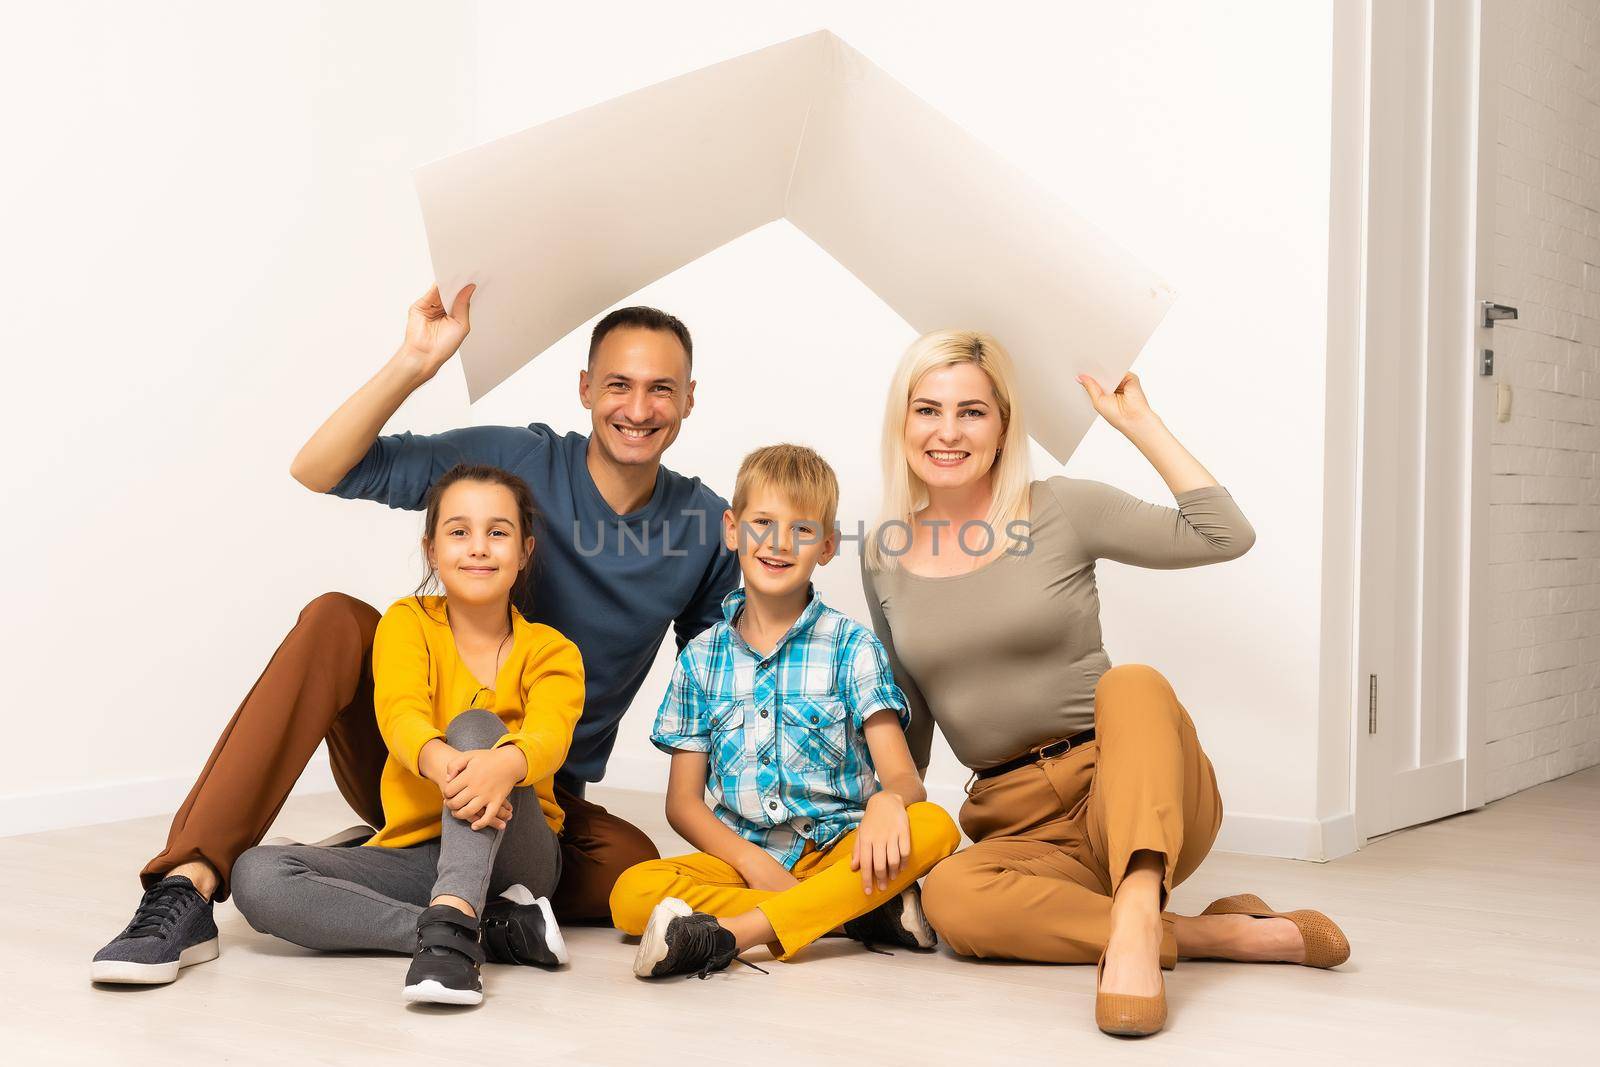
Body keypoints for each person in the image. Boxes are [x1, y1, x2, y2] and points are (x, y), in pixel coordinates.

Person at [91, 285, 738, 985]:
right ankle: (187, 882)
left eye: (660, 390)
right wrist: (413, 362)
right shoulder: (513, 463)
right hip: (408, 758)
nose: (638, 409)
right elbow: (321, 468)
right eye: (618, 384)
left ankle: (434, 893)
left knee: (637, 873)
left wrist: (761, 842)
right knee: (336, 619)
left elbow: (725, 686)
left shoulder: (707, 527)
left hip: (534, 794)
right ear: (585, 388)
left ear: (690, 399)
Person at [858, 331, 1350, 1037]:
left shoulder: (1060, 507)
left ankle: (1141, 902)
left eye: (972, 411)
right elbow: (909, 716)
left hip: (1134, 784)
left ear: (1003, 425)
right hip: (1019, 823)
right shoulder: (884, 553)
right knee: (955, 901)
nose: (947, 431)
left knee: (1134, 684)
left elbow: (1224, 534)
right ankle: (1220, 934)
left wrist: (1136, 422)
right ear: (901, 422)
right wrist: (887, 802)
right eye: (927, 409)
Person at [231, 465, 579, 1005]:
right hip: (419, 854)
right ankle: (477, 932)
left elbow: (550, 735)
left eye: (499, 532)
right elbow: (400, 714)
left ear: (526, 550)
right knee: (258, 875)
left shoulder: (553, 649)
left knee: (476, 728)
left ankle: (454, 935)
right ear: (432, 550)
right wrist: (450, 767)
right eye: (459, 532)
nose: (479, 548)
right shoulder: (406, 622)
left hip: (519, 857)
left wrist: (501, 765)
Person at [609, 445, 960, 979]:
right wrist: (754, 865)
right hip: (741, 858)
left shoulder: (851, 646)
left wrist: (891, 802)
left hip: (842, 849)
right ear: (732, 530)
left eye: (800, 529)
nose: (777, 542)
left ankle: (732, 936)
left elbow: (902, 780)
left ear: (826, 546)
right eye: (763, 523)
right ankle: (852, 913)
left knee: (932, 825)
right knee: (630, 895)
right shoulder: (701, 658)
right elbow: (683, 804)